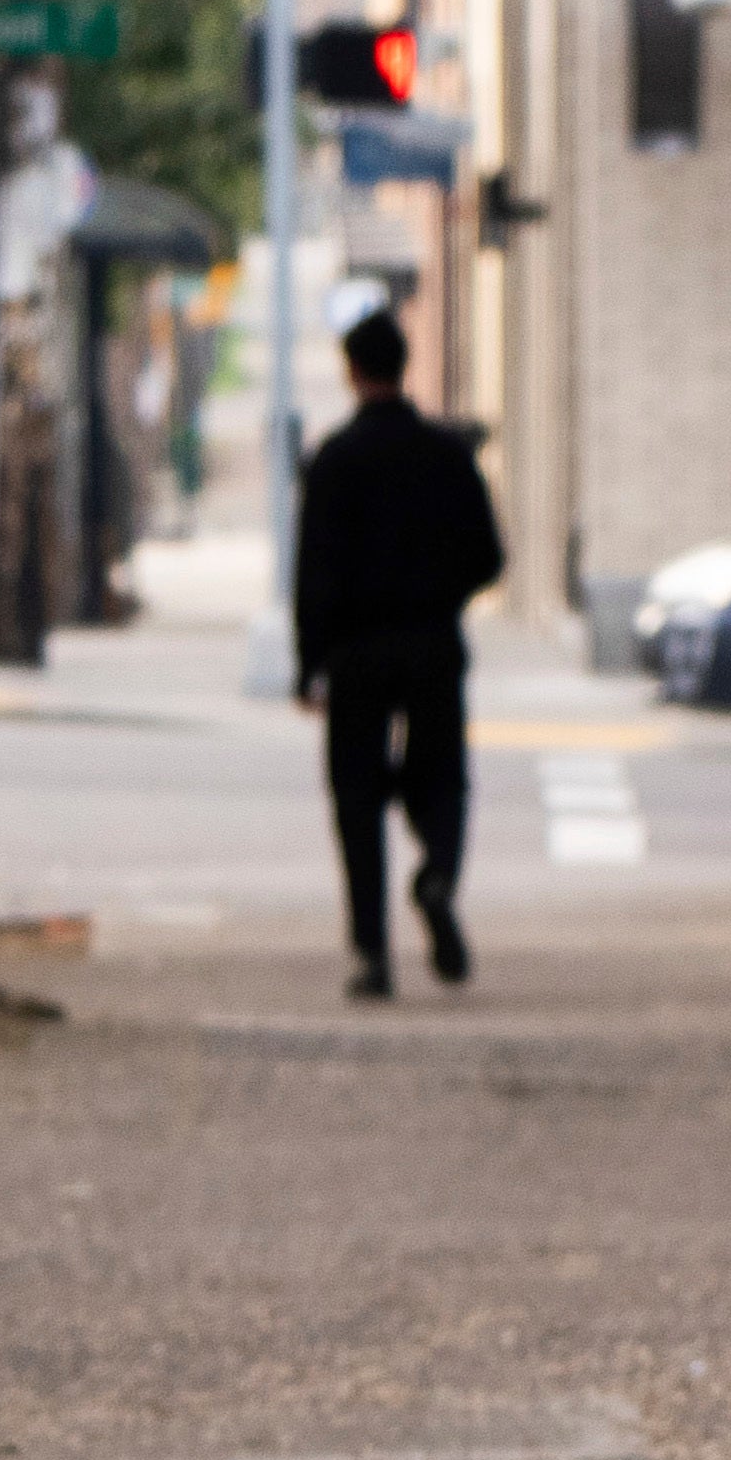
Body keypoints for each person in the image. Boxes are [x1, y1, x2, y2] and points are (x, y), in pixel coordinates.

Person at [286, 306, 505, 1001]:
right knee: (442, 778)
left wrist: (308, 662)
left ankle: (372, 954)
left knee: (356, 799)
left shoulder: (335, 460)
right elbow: (488, 555)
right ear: (403, 366)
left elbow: (311, 573)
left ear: (353, 372)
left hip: (355, 651)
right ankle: (437, 875)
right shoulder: (446, 455)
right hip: (432, 642)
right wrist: (440, 595)